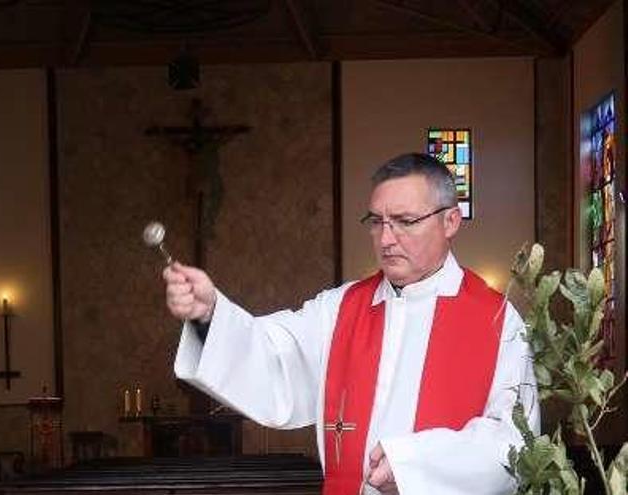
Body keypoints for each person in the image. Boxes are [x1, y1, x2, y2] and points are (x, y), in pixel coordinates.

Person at [162, 153, 539, 495]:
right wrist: (210, 314)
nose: (387, 239)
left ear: (450, 221)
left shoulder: (496, 320)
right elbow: (274, 356)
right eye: (377, 222)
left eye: (405, 221)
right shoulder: (341, 308)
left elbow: (515, 442)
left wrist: (411, 468)